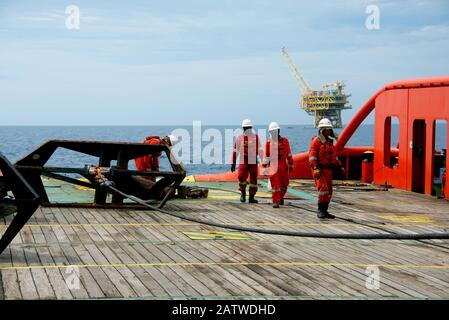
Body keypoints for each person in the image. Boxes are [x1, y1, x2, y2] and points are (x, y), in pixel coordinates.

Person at [309, 118, 345, 219]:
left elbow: (335, 157)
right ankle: (320, 210)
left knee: (329, 191)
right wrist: (315, 168)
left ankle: (325, 211)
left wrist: (340, 166)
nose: (329, 131)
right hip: (319, 170)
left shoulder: (330, 143)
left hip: (328, 170)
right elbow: (312, 157)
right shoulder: (316, 142)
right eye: (327, 129)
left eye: (330, 129)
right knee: (323, 189)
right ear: (322, 130)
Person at [262, 122, 294, 208]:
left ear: (279, 131)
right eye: (272, 132)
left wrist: (291, 163)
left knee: (285, 183)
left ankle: (280, 197)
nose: (274, 133)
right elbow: (266, 157)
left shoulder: (285, 141)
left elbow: (289, 153)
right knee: (275, 185)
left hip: (283, 164)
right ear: (270, 133)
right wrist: (264, 168)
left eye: (275, 131)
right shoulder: (268, 143)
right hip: (272, 165)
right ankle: (276, 201)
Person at [231, 119, 262, 203]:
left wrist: (263, 162)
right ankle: (243, 194)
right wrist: (233, 163)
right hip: (243, 160)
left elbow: (259, 149)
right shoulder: (239, 138)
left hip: (253, 160)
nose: (246, 129)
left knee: (253, 179)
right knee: (241, 176)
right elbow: (235, 151)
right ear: (243, 128)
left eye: (248, 127)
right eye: (245, 128)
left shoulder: (255, 137)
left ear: (251, 128)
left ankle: (251, 197)